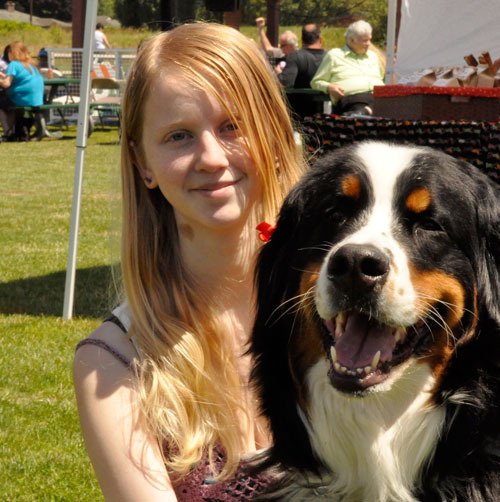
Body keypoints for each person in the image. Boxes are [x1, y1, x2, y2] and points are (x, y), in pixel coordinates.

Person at [73, 22, 304, 501]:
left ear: (274, 133)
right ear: (142, 164)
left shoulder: (341, 313)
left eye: (232, 126)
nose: (211, 157)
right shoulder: (114, 362)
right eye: (178, 136)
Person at [310, 19, 384, 116]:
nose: (369, 43)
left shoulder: (373, 56)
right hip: (353, 99)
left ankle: (366, 111)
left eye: (370, 39)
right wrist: (329, 87)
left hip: (378, 98)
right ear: (352, 40)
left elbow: (381, 77)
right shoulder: (335, 55)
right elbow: (316, 82)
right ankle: (365, 111)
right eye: (365, 40)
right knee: (365, 108)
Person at [0, 41, 45, 139]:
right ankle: (14, 132)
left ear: (13, 52)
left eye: (9, 52)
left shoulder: (14, 64)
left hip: (22, 99)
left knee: (2, 103)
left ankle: (8, 133)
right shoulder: (31, 64)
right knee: (7, 103)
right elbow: (21, 78)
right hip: (36, 99)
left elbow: (6, 84)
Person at [279, 23, 326, 89]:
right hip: (326, 99)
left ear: (302, 39)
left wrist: (279, 73)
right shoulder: (330, 57)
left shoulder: (295, 57)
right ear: (320, 39)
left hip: (299, 99)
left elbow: (285, 83)